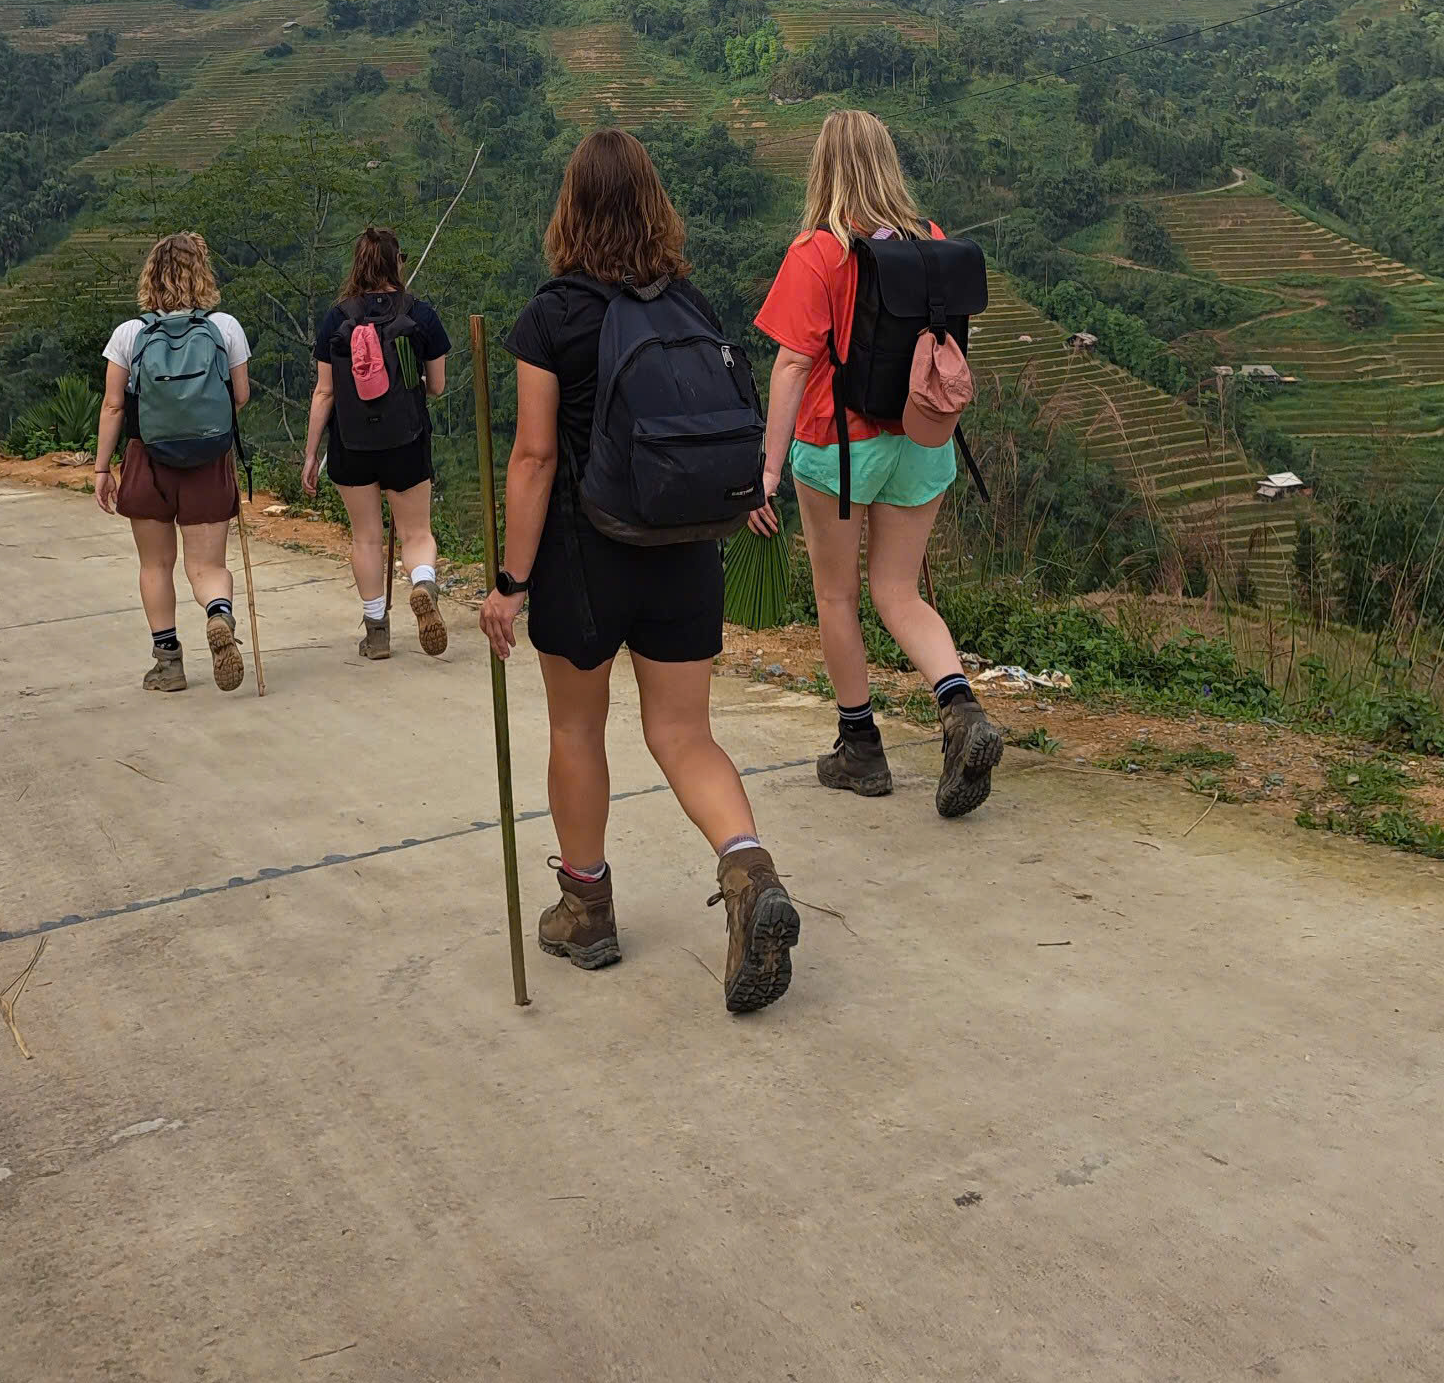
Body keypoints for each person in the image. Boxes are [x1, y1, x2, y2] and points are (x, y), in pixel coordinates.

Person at [477, 127, 799, 1016]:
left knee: (580, 732)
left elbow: (535, 458)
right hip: (686, 548)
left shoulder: (551, 318)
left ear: (569, 209)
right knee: (685, 735)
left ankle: (587, 909)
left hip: (587, 556)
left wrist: (509, 582)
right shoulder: (687, 303)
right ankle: (748, 872)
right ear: (656, 206)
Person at [751, 107, 1004, 816]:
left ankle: (860, 748)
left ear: (823, 167)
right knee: (899, 592)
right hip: (922, 443)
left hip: (838, 451)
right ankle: (961, 709)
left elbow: (792, 365)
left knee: (839, 597)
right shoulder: (931, 241)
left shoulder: (817, 251)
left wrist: (767, 471)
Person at [95, 230, 252, 694]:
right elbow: (239, 396)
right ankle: (219, 614)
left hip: (148, 461)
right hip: (208, 460)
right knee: (206, 567)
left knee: (156, 566)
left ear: (150, 278)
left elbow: (112, 406)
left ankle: (168, 663)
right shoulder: (225, 328)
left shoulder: (129, 334)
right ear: (202, 276)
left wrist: (103, 469)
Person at [302, 227, 452, 661]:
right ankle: (423, 584)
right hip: (406, 441)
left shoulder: (337, 318)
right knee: (416, 533)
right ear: (397, 263)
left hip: (351, 444)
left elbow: (324, 393)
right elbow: (437, 386)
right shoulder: (420, 315)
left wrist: (311, 454)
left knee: (366, 538)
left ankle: (377, 634)